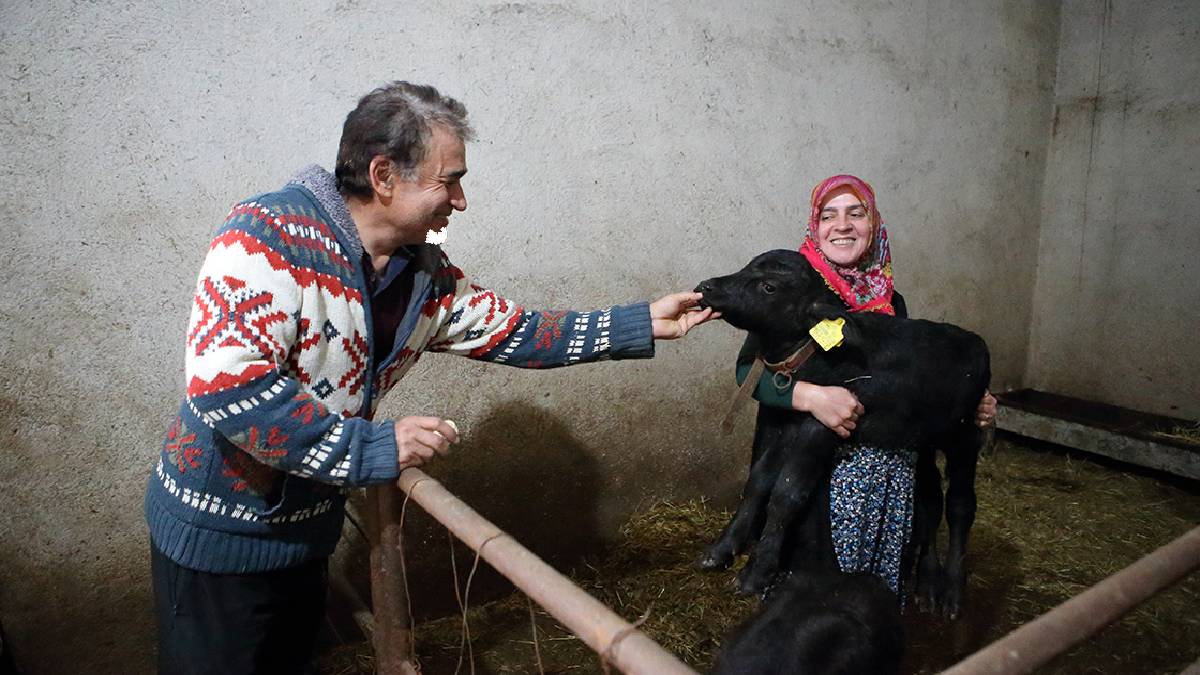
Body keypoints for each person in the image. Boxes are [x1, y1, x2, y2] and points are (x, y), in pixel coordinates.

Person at [144, 81, 715, 674]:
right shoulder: (267, 234)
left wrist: (640, 322)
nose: (460, 201)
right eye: (449, 180)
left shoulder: (423, 274)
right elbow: (228, 390)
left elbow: (517, 331)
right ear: (384, 175)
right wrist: (372, 446)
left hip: (304, 532)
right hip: (221, 538)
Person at [734, 174, 996, 597]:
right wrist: (811, 397)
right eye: (828, 215)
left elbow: (914, 377)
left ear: (874, 225)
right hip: (807, 464)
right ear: (814, 228)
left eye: (856, 213)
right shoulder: (788, 292)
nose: (842, 225)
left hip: (883, 467)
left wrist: (969, 397)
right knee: (805, 592)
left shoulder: (892, 301)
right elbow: (747, 371)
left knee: (867, 595)